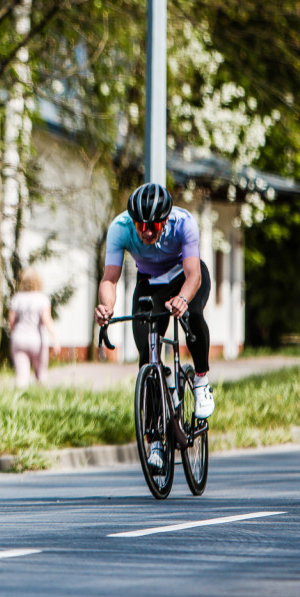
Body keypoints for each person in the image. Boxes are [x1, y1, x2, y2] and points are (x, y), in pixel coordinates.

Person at [93, 182, 216, 470]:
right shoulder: (120, 228)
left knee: (194, 317)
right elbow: (110, 278)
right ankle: (156, 441)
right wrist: (106, 308)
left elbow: (194, 274)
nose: (146, 231)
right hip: (150, 284)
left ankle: (201, 380)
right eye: (141, 225)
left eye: (154, 225)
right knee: (146, 358)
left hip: (185, 278)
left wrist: (184, 299)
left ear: (166, 219)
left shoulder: (184, 222)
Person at [8, 267, 60, 388]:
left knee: (22, 376)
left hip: (19, 339)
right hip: (37, 340)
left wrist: (13, 333)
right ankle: (40, 400)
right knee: (41, 374)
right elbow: (47, 320)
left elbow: (11, 320)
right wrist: (55, 339)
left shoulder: (17, 298)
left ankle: (21, 401)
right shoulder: (42, 299)